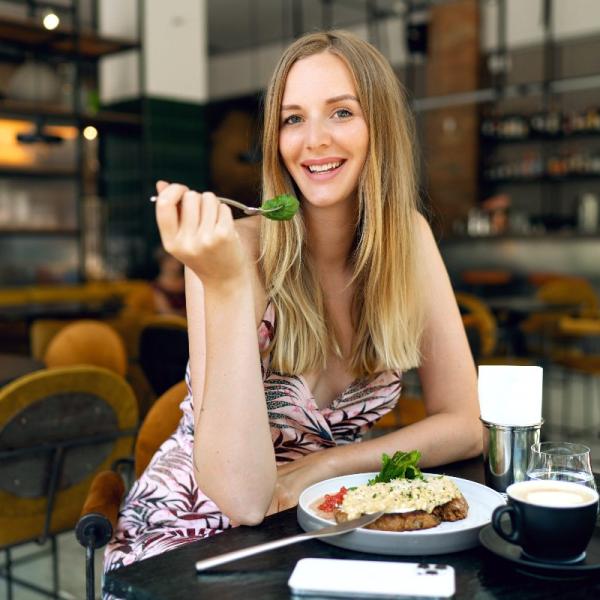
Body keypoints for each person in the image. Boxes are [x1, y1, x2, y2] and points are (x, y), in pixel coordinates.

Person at [104, 30, 481, 573]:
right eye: (293, 118)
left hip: (323, 521)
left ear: (382, 127)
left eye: (342, 113)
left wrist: (323, 468)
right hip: (194, 541)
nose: (314, 140)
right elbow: (243, 499)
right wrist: (228, 285)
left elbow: (466, 422)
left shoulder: (410, 238)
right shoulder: (236, 250)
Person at [151, 247, 186, 317]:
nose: (176, 265)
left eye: (177, 261)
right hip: (173, 325)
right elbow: (166, 313)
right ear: (161, 262)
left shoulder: (188, 283)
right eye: (170, 261)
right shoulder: (156, 287)